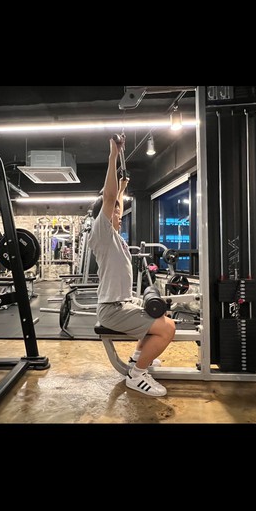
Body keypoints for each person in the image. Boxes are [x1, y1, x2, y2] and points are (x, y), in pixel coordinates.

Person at [88, 136, 176, 398]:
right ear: (104, 215)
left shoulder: (114, 236)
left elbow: (115, 200)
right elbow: (109, 198)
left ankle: (139, 356)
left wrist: (123, 187)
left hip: (122, 302)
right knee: (167, 329)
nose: (120, 214)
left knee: (162, 317)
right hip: (112, 309)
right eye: (116, 211)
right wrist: (113, 156)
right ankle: (137, 376)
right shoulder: (101, 232)